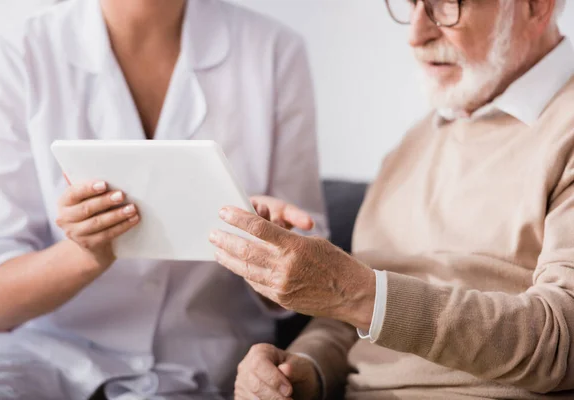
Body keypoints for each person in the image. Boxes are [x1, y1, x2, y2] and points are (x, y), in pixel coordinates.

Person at [210, 0, 574, 399]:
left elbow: (563, 341)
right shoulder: (413, 145)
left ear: (536, 7)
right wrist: (301, 369)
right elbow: (352, 321)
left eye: (445, 7)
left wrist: (357, 291)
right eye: (412, 5)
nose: (416, 35)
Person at [0, 0, 328, 398]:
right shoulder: (15, 55)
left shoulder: (275, 52)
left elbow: (312, 282)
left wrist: (269, 245)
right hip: (39, 363)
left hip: (202, 367)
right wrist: (87, 253)